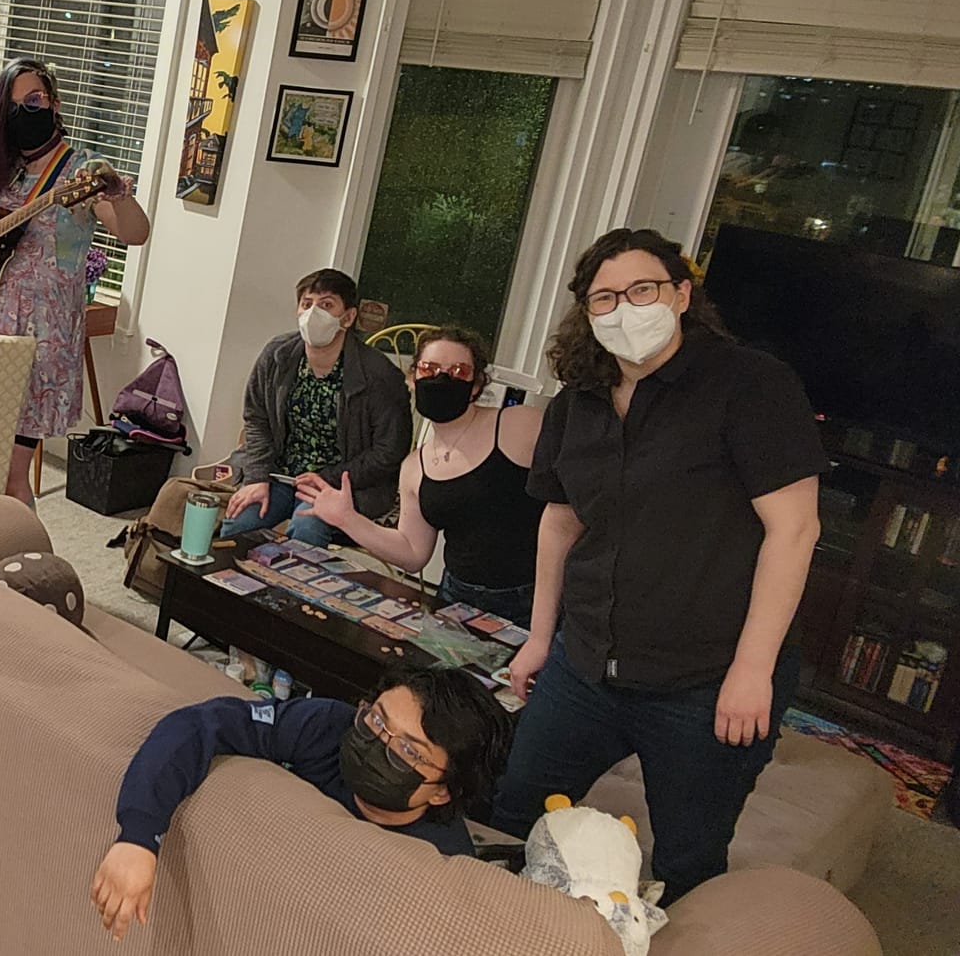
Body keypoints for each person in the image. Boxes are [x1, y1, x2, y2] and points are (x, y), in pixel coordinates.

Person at [490, 228, 827, 904]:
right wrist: (537, 635)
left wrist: (752, 670)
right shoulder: (574, 402)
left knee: (686, 859)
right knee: (508, 811)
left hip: (704, 681)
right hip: (584, 663)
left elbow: (794, 529)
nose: (625, 308)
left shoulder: (750, 384)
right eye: (604, 297)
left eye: (642, 289)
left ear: (680, 293)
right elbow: (560, 522)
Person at [90, 668, 512, 940]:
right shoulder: (329, 726)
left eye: (408, 751)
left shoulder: (443, 863)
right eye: (379, 720)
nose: (377, 743)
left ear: (443, 791)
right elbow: (202, 723)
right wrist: (139, 836)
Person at [0, 59, 151, 504]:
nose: (26, 111)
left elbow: (135, 233)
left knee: (9, 478)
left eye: (35, 100)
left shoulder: (80, 173)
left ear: (55, 103)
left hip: (37, 343)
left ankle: (14, 563)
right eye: (14, 106)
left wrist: (119, 196)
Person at [295, 326, 546, 626]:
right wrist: (347, 518)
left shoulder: (519, 426)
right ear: (413, 379)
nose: (442, 379)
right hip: (457, 598)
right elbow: (412, 552)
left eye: (458, 371)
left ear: (477, 384)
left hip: (532, 601)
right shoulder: (415, 467)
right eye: (430, 369)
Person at [223, 269, 411, 545]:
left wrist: (327, 478)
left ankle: (289, 589)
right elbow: (257, 418)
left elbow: (389, 451)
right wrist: (257, 477)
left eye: (326, 305)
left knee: (307, 527)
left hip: (344, 485)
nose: (313, 313)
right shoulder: (277, 355)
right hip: (279, 475)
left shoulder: (379, 376)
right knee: (241, 520)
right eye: (306, 304)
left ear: (348, 317)